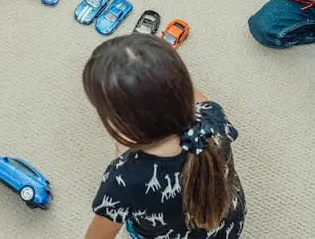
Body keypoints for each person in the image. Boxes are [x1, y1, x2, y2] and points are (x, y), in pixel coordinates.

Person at [82, 34, 245, 239]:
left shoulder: (123, 178)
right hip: (229, 227)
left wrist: (122, 156)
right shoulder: (212, 117)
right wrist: (163, 71)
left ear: (124, 126)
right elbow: (192, 96)